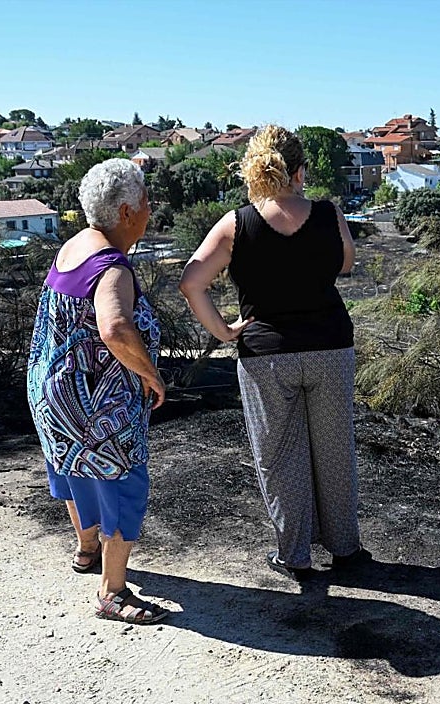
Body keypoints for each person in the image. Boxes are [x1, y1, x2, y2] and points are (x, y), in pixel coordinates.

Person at [179, 124, 370, 581]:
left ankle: (295, 555)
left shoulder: (236, 224)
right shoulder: (329, 214)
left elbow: (191, 282)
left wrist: (224, 331)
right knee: (334, 451)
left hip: (266, 356)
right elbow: (346, 263)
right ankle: (345, 549)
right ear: (300, 172)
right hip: (329, 347)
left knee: (280, 456)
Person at [27, 158, 186, 624]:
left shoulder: (74, 246)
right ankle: (112, 592)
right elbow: (114, 327)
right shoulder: (112, 267)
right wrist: (151, 374)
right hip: (98, 404)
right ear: (125, 212)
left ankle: (86, 550)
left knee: (73, 471)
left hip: (53, 395)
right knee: (123, 485)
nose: (150, 210)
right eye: (146, 203)